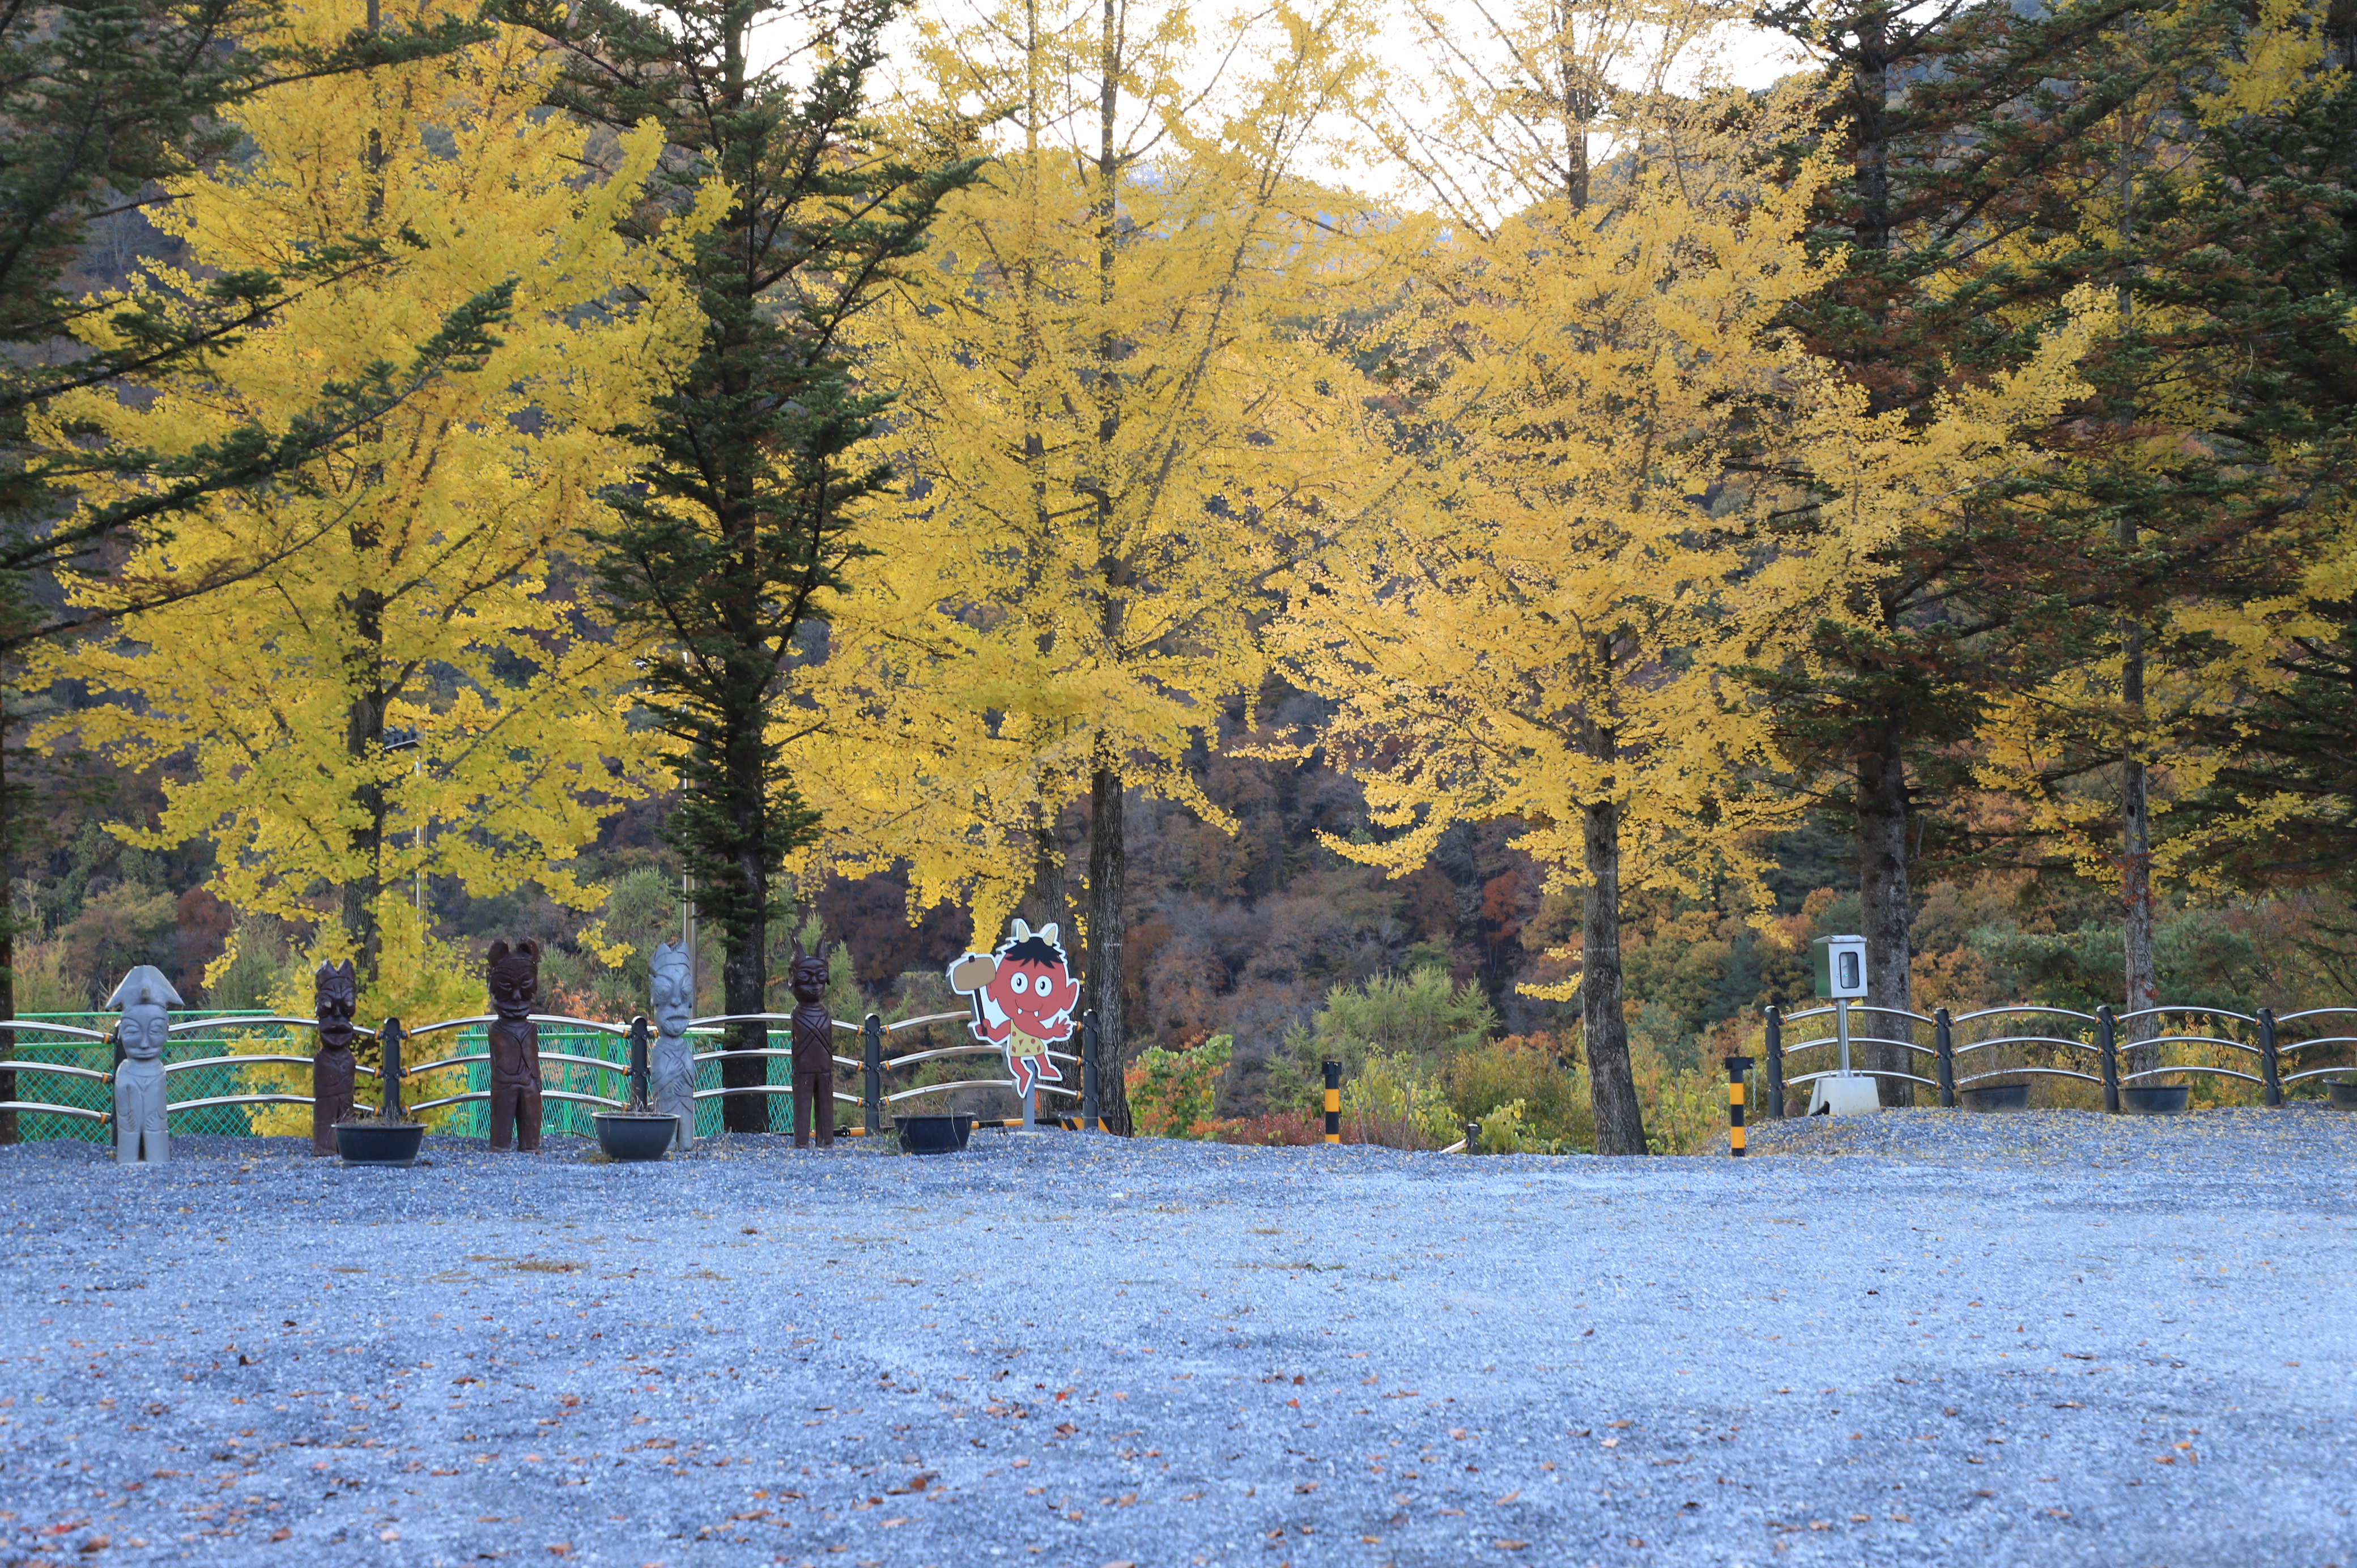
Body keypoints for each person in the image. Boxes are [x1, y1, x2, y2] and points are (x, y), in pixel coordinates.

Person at [106, 965, 181, 1165]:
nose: (145, 1043)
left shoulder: (159, 1072)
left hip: (153, 1075)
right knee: (128, 1125)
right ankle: (128, 1158)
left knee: (156, 1124)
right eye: (133, 1032)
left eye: (156, 1031)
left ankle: (157, 1158)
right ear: (121, 1032)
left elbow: (156, 1120)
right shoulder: (125, 1071)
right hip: (129, 1074)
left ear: (167, 1032)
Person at [486, 940, 543, 1152]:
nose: (517, 996)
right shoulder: (497, 1029)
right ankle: (500, 1144)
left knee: (532, 1109)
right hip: (505, 1082)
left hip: (531, 1081)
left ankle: (531, 1143)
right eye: (507, 986)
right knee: (503, 1111)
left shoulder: (531, 1028)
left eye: (526, 985)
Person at [648, 940, 696, 1149]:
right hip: (666, 1102)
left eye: (685, 992)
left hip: (685, 1101)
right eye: (666, 993)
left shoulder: (685, 1049)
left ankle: (685, 1144)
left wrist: (683, 1073)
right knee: (666, 1139)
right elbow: (657, 1080)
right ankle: (666, 1144)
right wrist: (669, 1078)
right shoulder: (659, 1050)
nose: (677, 1003)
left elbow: (692, 1075)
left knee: (686, 1140)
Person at [788, 940, 836, 1149]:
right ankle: (801, 1140)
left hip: (825, 1069)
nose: (815, 984)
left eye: (821, 978)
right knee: (803, 1102)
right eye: (806, 979)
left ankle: (827, 1139)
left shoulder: (825, 1015)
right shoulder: (797, 1016)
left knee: (826, 1104)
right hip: (803, 1069)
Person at [311, 960, 359, 1154]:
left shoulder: (350, 1060)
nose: (338, 1016)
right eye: (328, 1007)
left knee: (347, 1111)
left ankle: (346, 1145)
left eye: (347, 1009)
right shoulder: (321, 1060)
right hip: (325, 1117)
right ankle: (325, 1146)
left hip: (345, 1107)